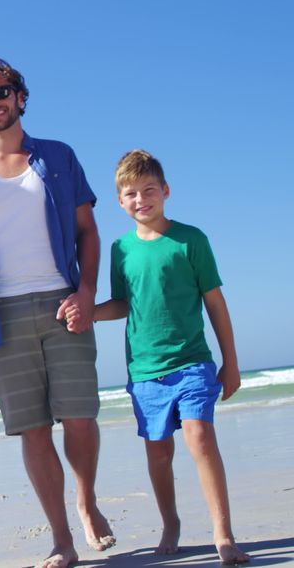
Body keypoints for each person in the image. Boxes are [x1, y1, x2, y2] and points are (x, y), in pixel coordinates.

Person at [0, 58, 115, 568]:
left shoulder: (57, 157)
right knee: (33, 430)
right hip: (0, 314)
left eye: (3, 92)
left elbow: (89, 233)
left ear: (19, 96)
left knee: (79, 418)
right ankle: (61, 539)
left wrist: (85, 292)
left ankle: (86, 499)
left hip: (63, 303)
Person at [88, 149, 250, 564]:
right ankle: (171, 521)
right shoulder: (120, 249)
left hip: (192, 360)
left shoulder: (191, 239)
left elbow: (215, 303)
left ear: (165, 191)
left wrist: (230, 361)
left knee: (200, 437)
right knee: (158, 453)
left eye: (149, 190)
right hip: (145, 370)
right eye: (131, 194)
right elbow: (123, 304)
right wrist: (86, 313)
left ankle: (223, 533)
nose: (141, 199)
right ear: (120, 202)